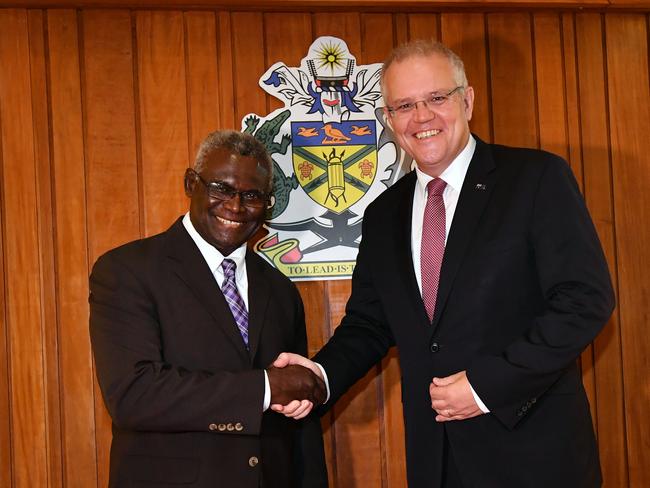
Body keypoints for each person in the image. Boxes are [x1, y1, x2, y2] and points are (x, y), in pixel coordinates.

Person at [272, 40, 615, 487]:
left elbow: (584, 301)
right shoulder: (384, 214)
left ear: (467, 100)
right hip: (436, 460)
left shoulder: (535, 179)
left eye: (437, 98)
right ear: (390, 119)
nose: (422, 117)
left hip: (534, 456)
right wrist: (318, 375)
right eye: (404, 105)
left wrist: (484, 386)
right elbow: (369, 324)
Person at [89, 130, 328, 488]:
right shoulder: (126, 271)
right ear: (191, 183)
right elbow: (133, 394)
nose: (235, 207)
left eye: (252, 196)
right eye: (221, 188)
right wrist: (264, 388)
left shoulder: (280, 291)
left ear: (268, 204)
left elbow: (298, 428)